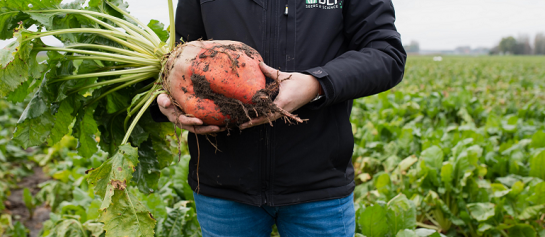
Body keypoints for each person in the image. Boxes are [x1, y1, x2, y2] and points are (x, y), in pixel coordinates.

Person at [151, 0, 406, 236]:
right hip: (223, 189)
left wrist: (317, 83)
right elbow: (176, 58)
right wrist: (164, 102)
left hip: (320, 188)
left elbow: (386, 54)